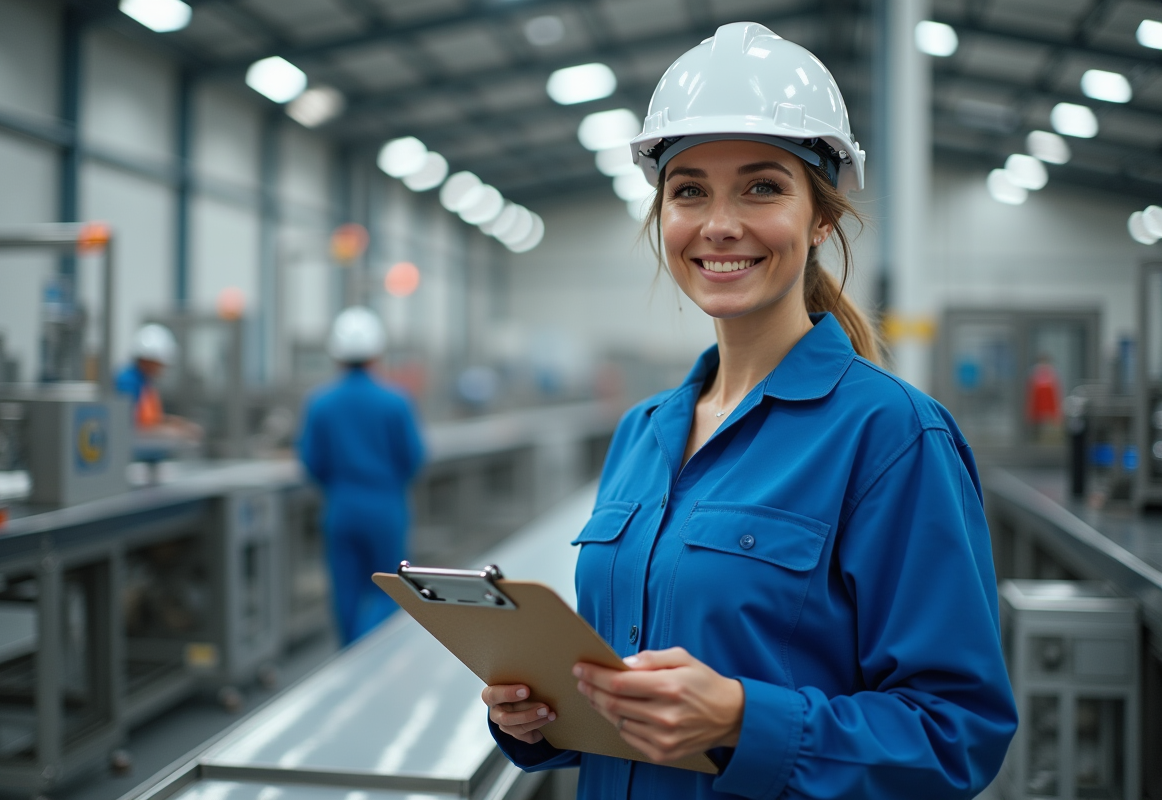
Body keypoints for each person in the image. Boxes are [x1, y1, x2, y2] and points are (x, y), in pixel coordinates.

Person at [482, 22, 1017, 799]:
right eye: (689, 189)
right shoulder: (643, 433)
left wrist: (742, 720)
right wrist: (538, 718)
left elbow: (956, 736)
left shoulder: (892, 437)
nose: (719, 223)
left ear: (822, 217)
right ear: (662, 216)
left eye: (762, 187)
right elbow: (623, 699)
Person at [299, 307, 425, 645]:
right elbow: (413, 458)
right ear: (377, 353)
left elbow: (311, 461)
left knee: (345, 591)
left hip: (340, 505)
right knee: (392, 587)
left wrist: (339, 486)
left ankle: (350, 649)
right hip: (385, 506)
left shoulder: (320, 403)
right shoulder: (395, 402)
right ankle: (376, 651)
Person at [116, 324, 202, 440]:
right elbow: (128, 427)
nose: (162, 368)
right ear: (148, 360)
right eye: (160, 364)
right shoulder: (128, 381)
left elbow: (148, 419)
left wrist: (172, 422)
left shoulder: (144, 381)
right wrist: (168, 432)